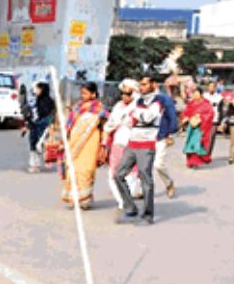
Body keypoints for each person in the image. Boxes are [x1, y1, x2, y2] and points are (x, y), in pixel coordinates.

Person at [114, 75, 164, 224]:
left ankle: (148, 215)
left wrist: (135, 114)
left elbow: (147, 117)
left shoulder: (157, 102)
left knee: (145, 179)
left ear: (153, 85)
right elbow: (126, 119)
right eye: (140, 85)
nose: (141, 87)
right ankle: (130, 208)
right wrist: (134, 114)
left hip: (146, 145)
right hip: (132, 143)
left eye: (144, 84)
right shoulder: (139, 101)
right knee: (118, 174)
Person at [59, 82, 105, 209]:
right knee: (73, 168)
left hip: (91, 140)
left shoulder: (99, 108)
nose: (83, 95)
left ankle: (85, 199)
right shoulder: (78, 107)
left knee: (86, 169)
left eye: (85, 93)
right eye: (82, 93)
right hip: (75, 140)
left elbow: (106, 123)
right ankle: (74, 197)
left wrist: (104, 143)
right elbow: (70, 124)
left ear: (93, 94)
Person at [102, 79, 142, 210]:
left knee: (130, 176)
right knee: (113, 175)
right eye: (123, 92)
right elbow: (110, 125)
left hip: (134, 145)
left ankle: (126, 203)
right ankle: (123, 201)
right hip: (117, 144)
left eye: (128, 92)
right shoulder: (118, 107)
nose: (124, 95)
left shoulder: (140, 108)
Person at [150, 75, 179, 198]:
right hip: (145, 137)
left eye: (146, 84)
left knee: (158, 164)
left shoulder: (164, 99)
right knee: (143, 165)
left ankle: (169, 183)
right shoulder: (141, 99)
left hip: (161, 136)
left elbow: (172, 117)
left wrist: (171, 134)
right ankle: (143, 190)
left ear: (155, 84)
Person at [181, 86, 215, 168]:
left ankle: (195, 161)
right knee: (189, 143)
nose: (195, 95)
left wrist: (201, 117)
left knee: (197, 143)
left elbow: (210, 114)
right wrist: (186, 118)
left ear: (201, 94)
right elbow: (185, 113)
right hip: (191, 127)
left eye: (197, 93)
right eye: (194, 93)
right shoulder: (191, 104)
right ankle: (189, 161)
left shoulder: (206, 104)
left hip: (200, 127)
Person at [24, 81, 54, 172]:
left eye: (37, 88)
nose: (36, 90)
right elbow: (32, 113)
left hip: (43, 125)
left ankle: (43, 161)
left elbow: (50, 115)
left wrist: (50, 125)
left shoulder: (49, 101)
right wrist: (28, 124)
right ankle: (34, 165)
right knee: (33, 144)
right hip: (34, 125)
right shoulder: (36, 99)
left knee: (39, 145)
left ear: (42, 89)